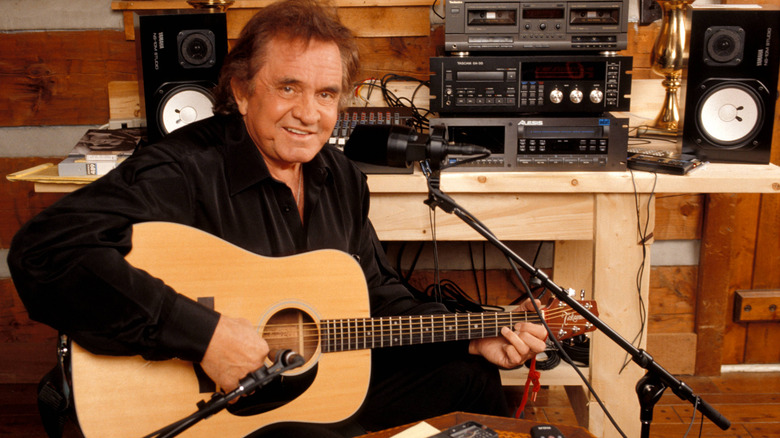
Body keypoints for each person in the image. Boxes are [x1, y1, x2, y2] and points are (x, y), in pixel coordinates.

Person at [8, 0, 547, 436]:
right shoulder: (185, 169)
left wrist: (471, 332)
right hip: (221, 414)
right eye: (288, 88)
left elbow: (377, 295)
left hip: (311, 395)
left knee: (470, 378)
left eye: (326, 94)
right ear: (242, 91)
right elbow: (45, 251)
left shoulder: (340, 178)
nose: (309, 114)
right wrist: (205, 336)